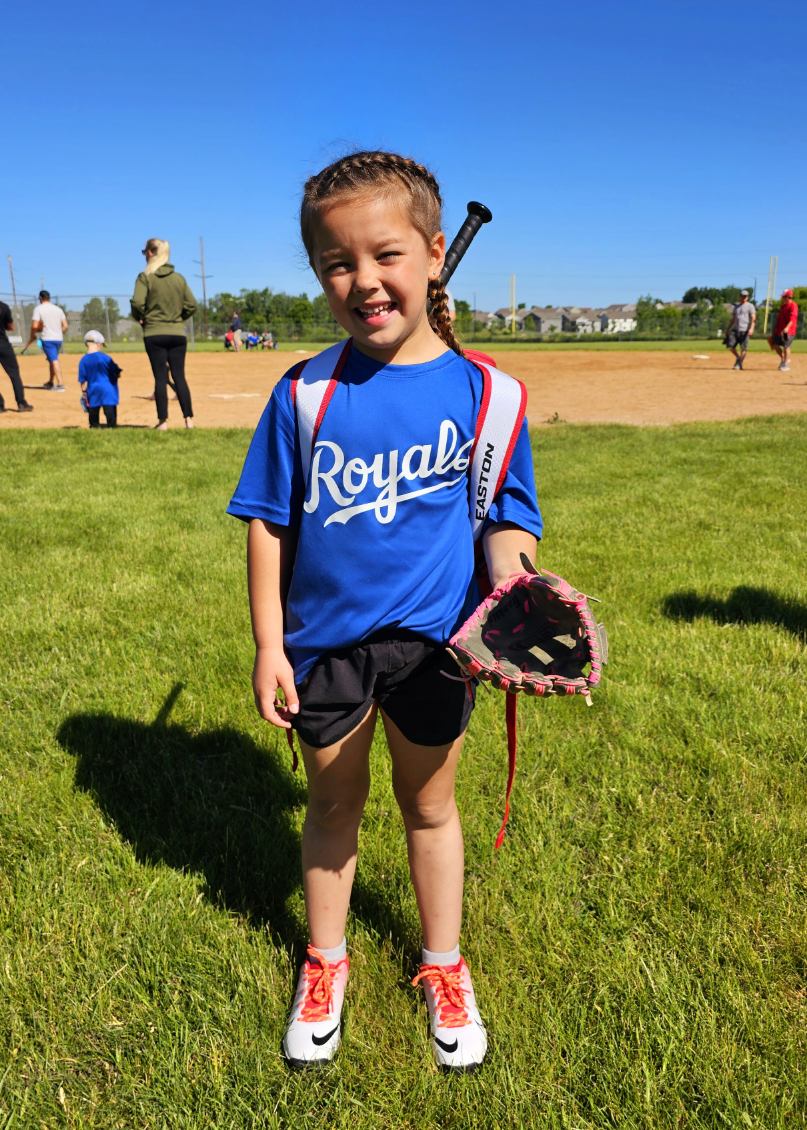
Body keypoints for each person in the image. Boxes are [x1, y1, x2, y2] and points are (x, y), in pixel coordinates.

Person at [227, 151, 542, 1072]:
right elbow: (265, 525)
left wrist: (516, 589)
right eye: (336, 262)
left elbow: (504, 515)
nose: (363, 280)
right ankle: (325, 961)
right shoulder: (303, 392)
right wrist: (267, 645)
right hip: (326, 648)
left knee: (429, 807)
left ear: (435, 254)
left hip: (438, 647)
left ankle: (443, 963)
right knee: (331, 802)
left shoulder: (490, 393)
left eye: (386, 254)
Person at [130, 238, 197, 430]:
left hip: (154, 333)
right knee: (179, 376)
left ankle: (163, 422)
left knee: (160, 377)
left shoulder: (145, 277)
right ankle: (189, 420)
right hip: (177, 334)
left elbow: (137, 303)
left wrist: (141, 317)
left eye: (145, 252)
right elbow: (192, 304)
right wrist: (178, 318)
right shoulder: (179, 278)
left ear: (151, 253)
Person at [78, 330, 121, 428]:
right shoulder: (106, 358)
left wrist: (84, 393)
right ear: (98, 344)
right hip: (108, 390)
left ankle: (94, 426)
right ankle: (112, 427)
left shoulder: (83, 361)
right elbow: (115, 371)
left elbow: (83, 381)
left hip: (93, 390)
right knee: (110, 412)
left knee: (93, 412)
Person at [27, 290, 68, 390]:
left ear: (40, 298)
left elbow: (35, 325)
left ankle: (61, 384)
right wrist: (58, 333)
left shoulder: (39, 309)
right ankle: (50, 382)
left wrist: (33, 335)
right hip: (58, 339)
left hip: (47, 339)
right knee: (51, 360)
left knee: (54, 360)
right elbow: (65, 326)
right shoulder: (58, 309)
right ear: (49, 298)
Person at [0, 300, 34, 412]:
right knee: (14, 373)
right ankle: (21, 403)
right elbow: (10, 327)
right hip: (3, 345)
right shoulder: (3, 306)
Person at [768, 288, 799, 373]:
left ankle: (786, 364)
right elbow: (779, 320)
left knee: (786, 346)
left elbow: (793, 319)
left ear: (789, 297)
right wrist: (775, 330)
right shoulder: (782, 306)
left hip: (789, 331)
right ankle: (783, 359)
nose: (783, 298)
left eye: (785, 297)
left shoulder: (793, 306)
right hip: (779, 331)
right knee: (774, 344)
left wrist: (787, 328)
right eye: (783, 297)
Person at [724, 289, 756, 370]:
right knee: (730, 346)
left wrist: (751, 328)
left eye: (745, 296)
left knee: (743, 348)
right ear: (740, 296)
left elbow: (753, 318)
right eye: (742, 296)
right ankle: (738, 358)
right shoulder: (736, 307)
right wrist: (728, 328)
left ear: (747, 297)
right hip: (735, 329)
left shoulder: (750, 306)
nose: (744, 297)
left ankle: (739, 363)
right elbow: (733, 319)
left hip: (745, 330)